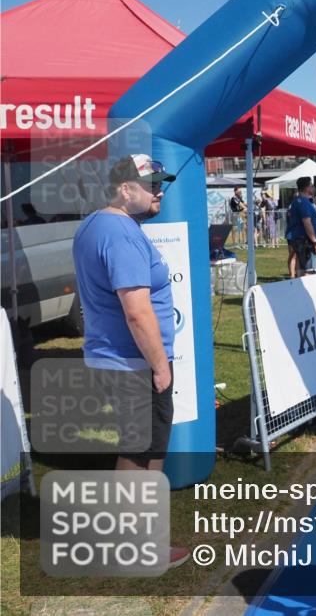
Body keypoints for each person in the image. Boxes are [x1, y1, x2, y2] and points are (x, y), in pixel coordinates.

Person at [71, 154, 189, 568]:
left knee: (141, 448)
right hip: (132, 362)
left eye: (163, 182)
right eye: (152, 183)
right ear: (124, 189)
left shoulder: (98, 225)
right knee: (141, 454)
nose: (161, 190)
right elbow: (136, 310)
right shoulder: (119, 231)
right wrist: (159, 365)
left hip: (116, 358)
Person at [285, 176, 316, 278]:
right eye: (311, 186)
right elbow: (307, 223)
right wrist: (315, 241)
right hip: (306, 241)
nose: (313, 188)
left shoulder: (301, 201)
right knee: (309, 272)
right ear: (307, 188)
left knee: (303, 269)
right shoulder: (303, 202)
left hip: (304, 240)